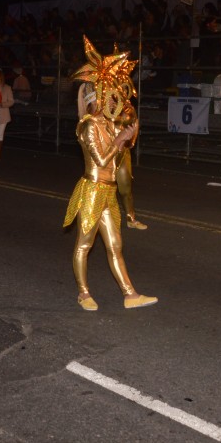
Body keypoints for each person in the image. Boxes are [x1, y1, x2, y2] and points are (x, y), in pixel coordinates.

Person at [63, 37, 157, 311]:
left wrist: (127, 135)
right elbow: (102, 159)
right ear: (99, 98)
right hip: (92, 190)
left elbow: (117, 159)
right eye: (111, 95)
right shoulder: (89, 126)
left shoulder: (108, 123)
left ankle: (130, 294)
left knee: (115, 244)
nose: (115, 99)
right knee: (84, 244)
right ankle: (83, 292)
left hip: (108, 191)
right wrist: (119, 141)